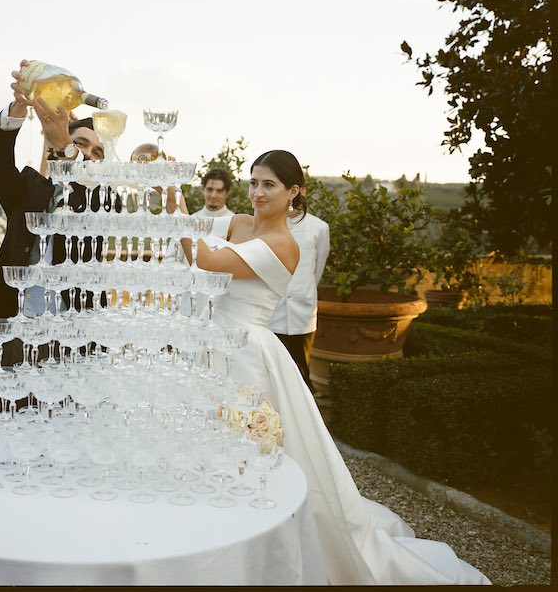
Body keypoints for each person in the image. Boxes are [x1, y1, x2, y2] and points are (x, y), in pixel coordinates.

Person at [180, 150, 490, 585]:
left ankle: (253, 539)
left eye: (269, 184)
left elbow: (207, 260)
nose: (257, 192)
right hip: (211, 341)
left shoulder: (285, 244)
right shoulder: (239, 224)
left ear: (294, 192)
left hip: (247, 350)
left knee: (249, 444)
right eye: (253, 182)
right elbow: (194, 238)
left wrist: (173, 203)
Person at [0, 59, 110, 419]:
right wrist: (16, 111)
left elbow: (80, 201)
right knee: (6, 417)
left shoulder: (107, 203)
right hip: (15, 328)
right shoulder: (30, 190)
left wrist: (66, 149)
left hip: (72, 337)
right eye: (80, 143)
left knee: (65, 422)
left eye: (96, 151)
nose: (88, 153)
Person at [268, 186, 330, 390]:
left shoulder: (319, 228)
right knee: (272, 372)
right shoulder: (270, 224)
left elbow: (317, 269)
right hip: (272, 312)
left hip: (302, 313)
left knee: (301, 372)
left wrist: (303, 292)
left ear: (301, 190)